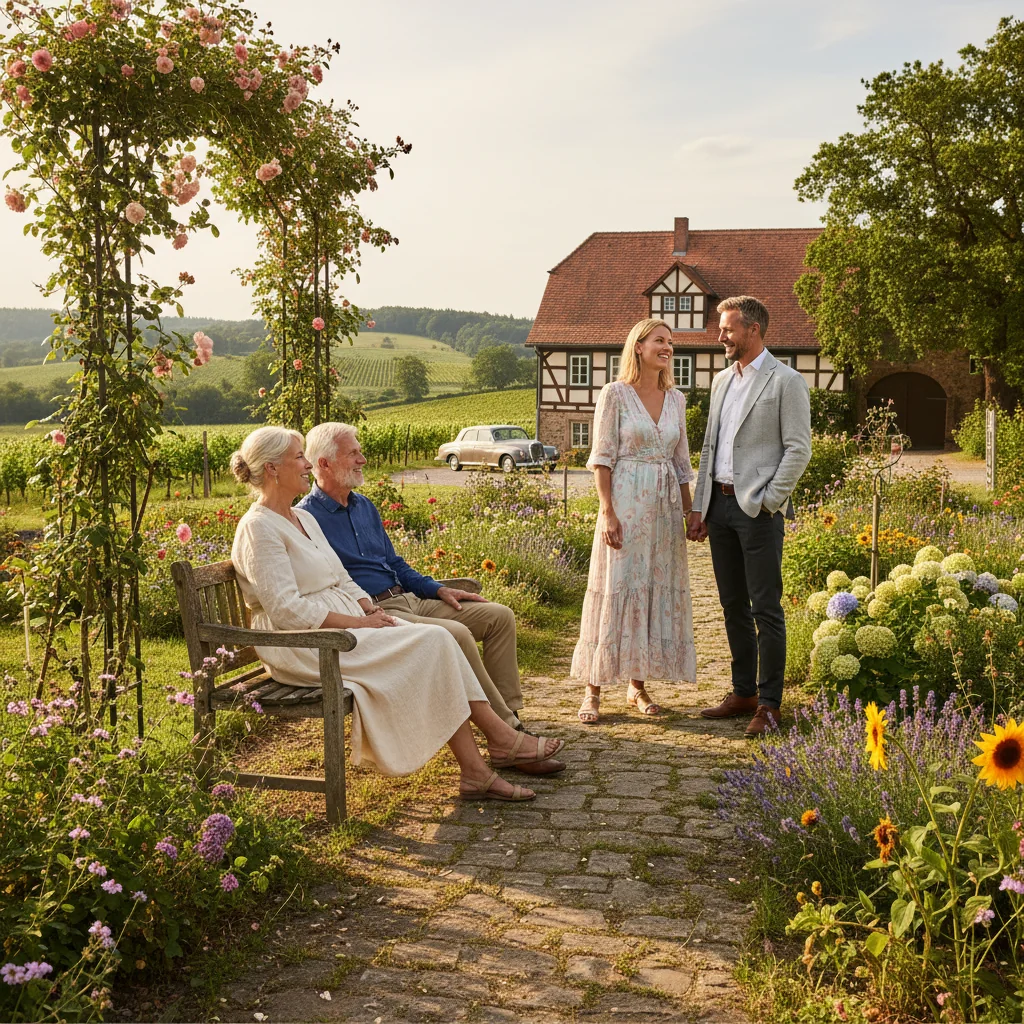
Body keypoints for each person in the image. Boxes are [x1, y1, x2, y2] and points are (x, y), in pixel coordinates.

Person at [229, 426, 565, 800]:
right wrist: (360, 622)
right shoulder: (258, 528)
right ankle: (500, 743)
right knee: (436, 640)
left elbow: (342, 578)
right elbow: (286, 609)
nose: (306, 464)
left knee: (437, 640)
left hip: (344, 627)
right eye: (298, 457)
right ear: (272, 468)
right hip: (305, 645)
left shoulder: (301, 519)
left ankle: (481, 766)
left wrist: (368, 607)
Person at [686, 296, 811, 737]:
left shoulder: (786, 381)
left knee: (766, 609)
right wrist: (699, 506)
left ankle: (770, 704)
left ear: (752, 329)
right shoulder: (722, 380)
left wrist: (769, 500)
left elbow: (798, 449)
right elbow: (709, 447)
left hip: (757, 509)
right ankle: (743, 693)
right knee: (732, 605)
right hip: (718, 507)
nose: (720, 336)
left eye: (727, 329)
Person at [571, 318, 697, 724]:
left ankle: (637, 686)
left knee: (652, 589)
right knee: (616, 587)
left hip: (664, 513)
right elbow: (602, 458)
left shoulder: (676, 399)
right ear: (638, 346)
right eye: (660, 340)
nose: (668, 347)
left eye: (671, 342)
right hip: (625, 506)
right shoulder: (615, 394)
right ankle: (592, 689)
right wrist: (607, 511)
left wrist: (690, 511)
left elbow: (682, 463)